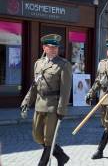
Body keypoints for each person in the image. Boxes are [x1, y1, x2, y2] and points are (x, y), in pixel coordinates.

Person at [20, 34, 72, 166]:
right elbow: (34, 86)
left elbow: (65, 90)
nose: (54, 49)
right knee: (37, 136)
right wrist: (26, 102)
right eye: (51, 47)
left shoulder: (64, 65)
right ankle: (61, 156)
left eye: (56, 47)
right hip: (39, 104)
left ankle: (42, 163)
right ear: (44, 47)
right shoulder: (38, 64)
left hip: (53, 107)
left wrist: (62, 109)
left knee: (48, 139)